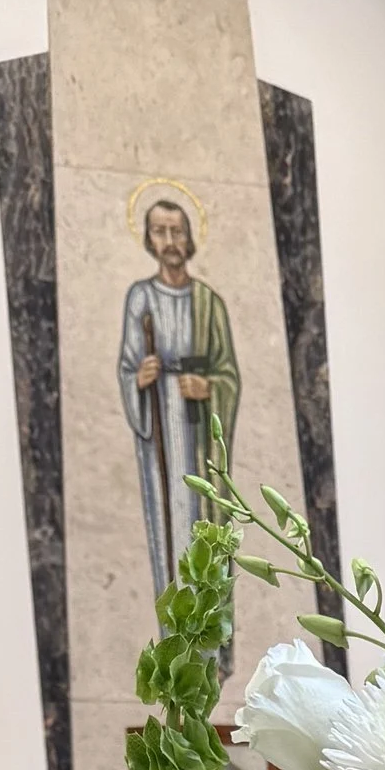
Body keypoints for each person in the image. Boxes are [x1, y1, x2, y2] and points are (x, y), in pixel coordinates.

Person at [117, 197, 240, 610]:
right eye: (159, 231)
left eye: (177, 231)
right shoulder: (141, 297)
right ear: (149, 239)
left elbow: (229, 376)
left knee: (205, 537)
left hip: (199, 436)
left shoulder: (210, 303)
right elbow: (127, 366)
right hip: (160, 443)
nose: (169, 240)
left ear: (189, 237)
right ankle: (174, 633)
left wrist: (209, 389)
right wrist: (140, 379)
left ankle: (212, 643)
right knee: (169, 535)